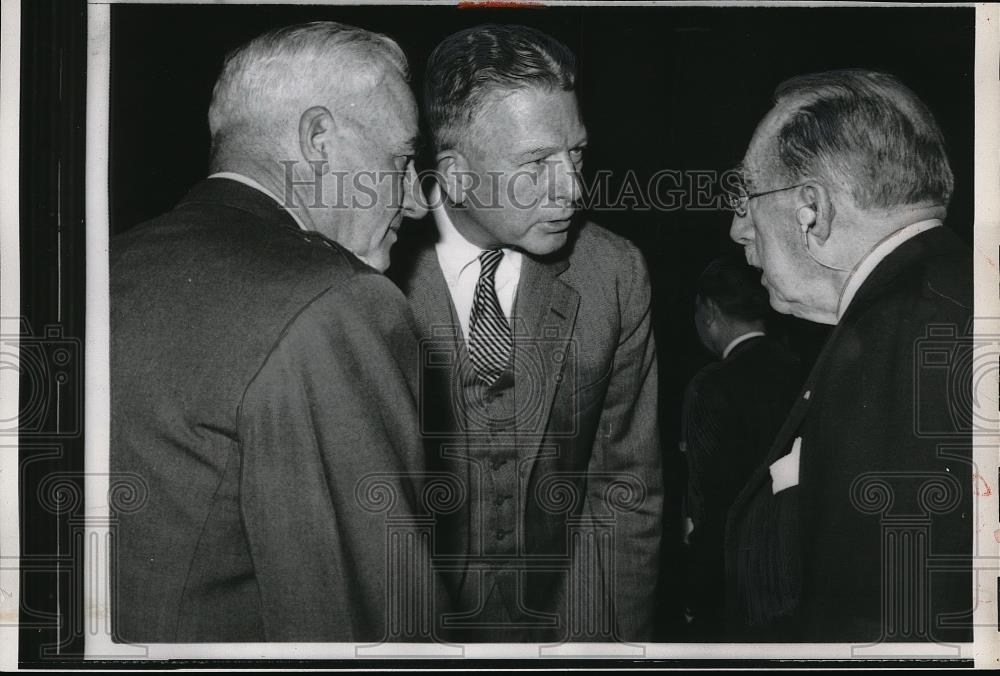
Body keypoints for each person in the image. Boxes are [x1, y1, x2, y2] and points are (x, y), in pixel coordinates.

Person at [110, 22, 434, 642]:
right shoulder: (338, 303)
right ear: (319, 138)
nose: (416, 201)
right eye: (400, 160)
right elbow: (368, 632)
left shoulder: (96, 268)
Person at [389, 24, 663, 642]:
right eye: (536, 164)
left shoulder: (612, 274)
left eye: (577, 155)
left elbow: (625, 493)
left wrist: (597, 651)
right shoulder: (365, 277)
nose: (573, 188)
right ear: (456, 176)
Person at [726, 69, 972, 642]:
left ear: (812, 209)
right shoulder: (948, 299)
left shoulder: (902, 342)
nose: (739, 229)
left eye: (747, 197)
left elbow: (887, 626)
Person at [681, 257, 801, 640]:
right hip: (797, 571)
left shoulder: (713, 383)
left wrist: (697, 588)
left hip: (735, 582)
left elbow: (708, 500)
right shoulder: (805, 369)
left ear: (710, 311)